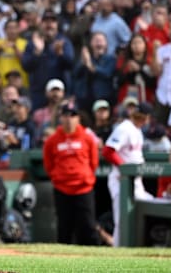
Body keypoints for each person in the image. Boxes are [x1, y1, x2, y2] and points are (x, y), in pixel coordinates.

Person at [43, 102, 99, 245]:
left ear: (78, 118)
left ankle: (94, 258)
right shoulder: (52, 140)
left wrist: (85, 176)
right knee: (64, 226)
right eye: (66, 115)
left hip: (83, 188)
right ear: (60, 118)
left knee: (87, 225)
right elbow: (48, 164)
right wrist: (57, 177)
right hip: (62, 188)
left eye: (72, 115)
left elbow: (94, 162)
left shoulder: (87, 138)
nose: (69, 119)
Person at [103, 102, 154, 247]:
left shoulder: (137, 130)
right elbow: (108, 151)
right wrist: (124, 168)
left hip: (135, 181)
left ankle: (134, 248)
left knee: (141, 211)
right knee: (122, 219)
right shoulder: (125, 128)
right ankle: (119, 252)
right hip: (122, 180)